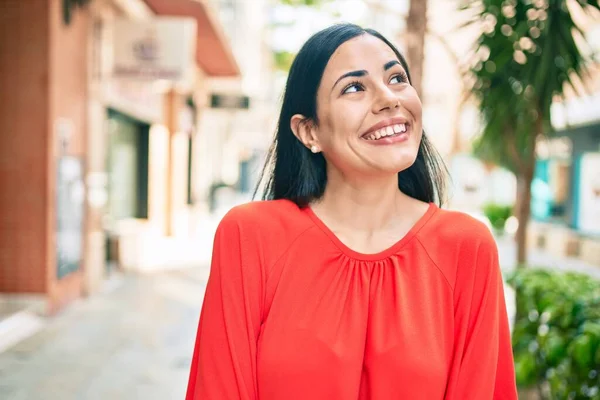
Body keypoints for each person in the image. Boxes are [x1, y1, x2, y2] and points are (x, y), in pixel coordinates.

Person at [186, 23, 517, 400]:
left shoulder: (465, 247)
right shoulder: (250, 236)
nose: (389, 98)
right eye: (354, 87)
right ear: (309, 131)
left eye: (396, 78)